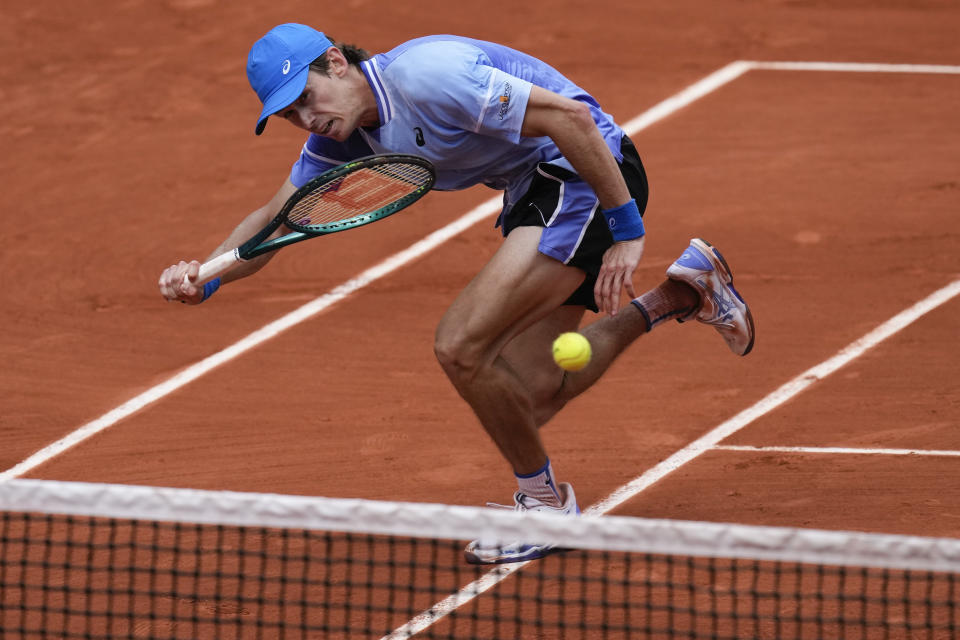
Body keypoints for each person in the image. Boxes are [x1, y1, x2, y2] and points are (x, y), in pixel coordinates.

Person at [158, 24, 755, 564]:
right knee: (530, 395)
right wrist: (204, 275)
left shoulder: (426, 75)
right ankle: (682, 293)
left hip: (585, 172)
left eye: (305, 99)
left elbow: (571, 119)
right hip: (531, 190)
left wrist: (626, 228)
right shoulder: (340, 141)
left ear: (336, 62)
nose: (306, 120)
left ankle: (543, 504)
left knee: (460, 345)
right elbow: (279, 218)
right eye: (289, 116)